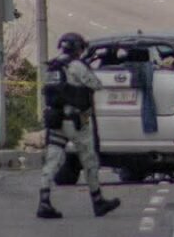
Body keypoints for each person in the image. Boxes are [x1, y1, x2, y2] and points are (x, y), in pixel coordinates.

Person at [38, 32, 122, 218]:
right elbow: (96, 85)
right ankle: (98, 201)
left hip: (56, 120)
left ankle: (44, 201)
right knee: (89, 161)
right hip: (77, 122)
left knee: (52, 160)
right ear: (78, 48)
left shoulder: (52, 66)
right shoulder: (76, 66)